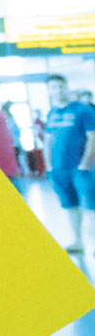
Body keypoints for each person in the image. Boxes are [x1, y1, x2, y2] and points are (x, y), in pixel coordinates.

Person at [44, 74, 95, 253]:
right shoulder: (51, 113)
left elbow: (92, 137)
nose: (57, 90)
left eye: (60, 86)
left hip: (80, 169)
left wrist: (85, 163)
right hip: (59, 169)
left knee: (91, 205)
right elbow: (48, 140)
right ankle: (77, 241)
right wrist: (49, 166)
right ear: (49, 91)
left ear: (66, 87)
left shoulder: (83, 110)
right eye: (53, 87)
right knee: (70, 205)